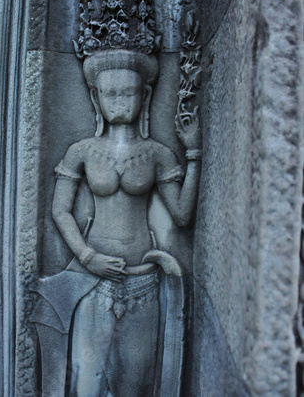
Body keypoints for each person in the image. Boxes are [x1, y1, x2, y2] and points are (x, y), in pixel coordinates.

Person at [33, 49, 201, 397]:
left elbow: (183, 215)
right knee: (85, 382)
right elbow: (59, 211)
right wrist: (86, 255)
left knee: (135, 386)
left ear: (146, 95)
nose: (120, 102)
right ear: (96, 97)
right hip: (92, 281)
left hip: (143, 282)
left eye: (129, 93)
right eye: (111, 94)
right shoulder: (82, 151)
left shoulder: (157, 154)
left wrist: (194, 152)